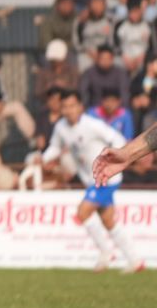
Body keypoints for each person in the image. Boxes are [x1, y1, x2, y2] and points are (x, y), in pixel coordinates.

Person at [43, 91, 143, 271]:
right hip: (90, 180)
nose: (69, 110)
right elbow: (55, 147)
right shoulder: (61, 127)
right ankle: (135, 260)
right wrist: (43, 159)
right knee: (108, 220)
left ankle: (106, 253)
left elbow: (117, 139)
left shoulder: (93, 125)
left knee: (82, 212)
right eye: (65, 107)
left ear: (80, 107)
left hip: (107, 177)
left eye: (72, 106)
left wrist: (116, 158)